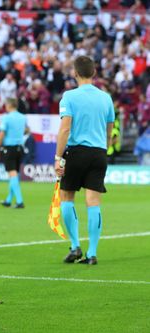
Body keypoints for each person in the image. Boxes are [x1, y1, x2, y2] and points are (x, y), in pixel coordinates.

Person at [55, 55, 115, 265]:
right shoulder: (106, 98)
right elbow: (109, 130)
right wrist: (104, 149)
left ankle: (74, 247)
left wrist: (57, 157)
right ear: (94, 72)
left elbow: (65, 129)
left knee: (66, 197)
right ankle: (92, 253)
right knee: (93, 202)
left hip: (77, 152)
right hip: (99, 152)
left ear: (75, 73)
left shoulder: (69, 97)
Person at [0, 98, 27, 208]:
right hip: (20, 148)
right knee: (14, 174)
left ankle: (19, 201)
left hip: (9, 148)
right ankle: (8, 200)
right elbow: (27, 130)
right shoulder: (23, 117)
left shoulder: (6, 118)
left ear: (8, 105)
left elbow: (1, 134)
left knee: (12, 173)